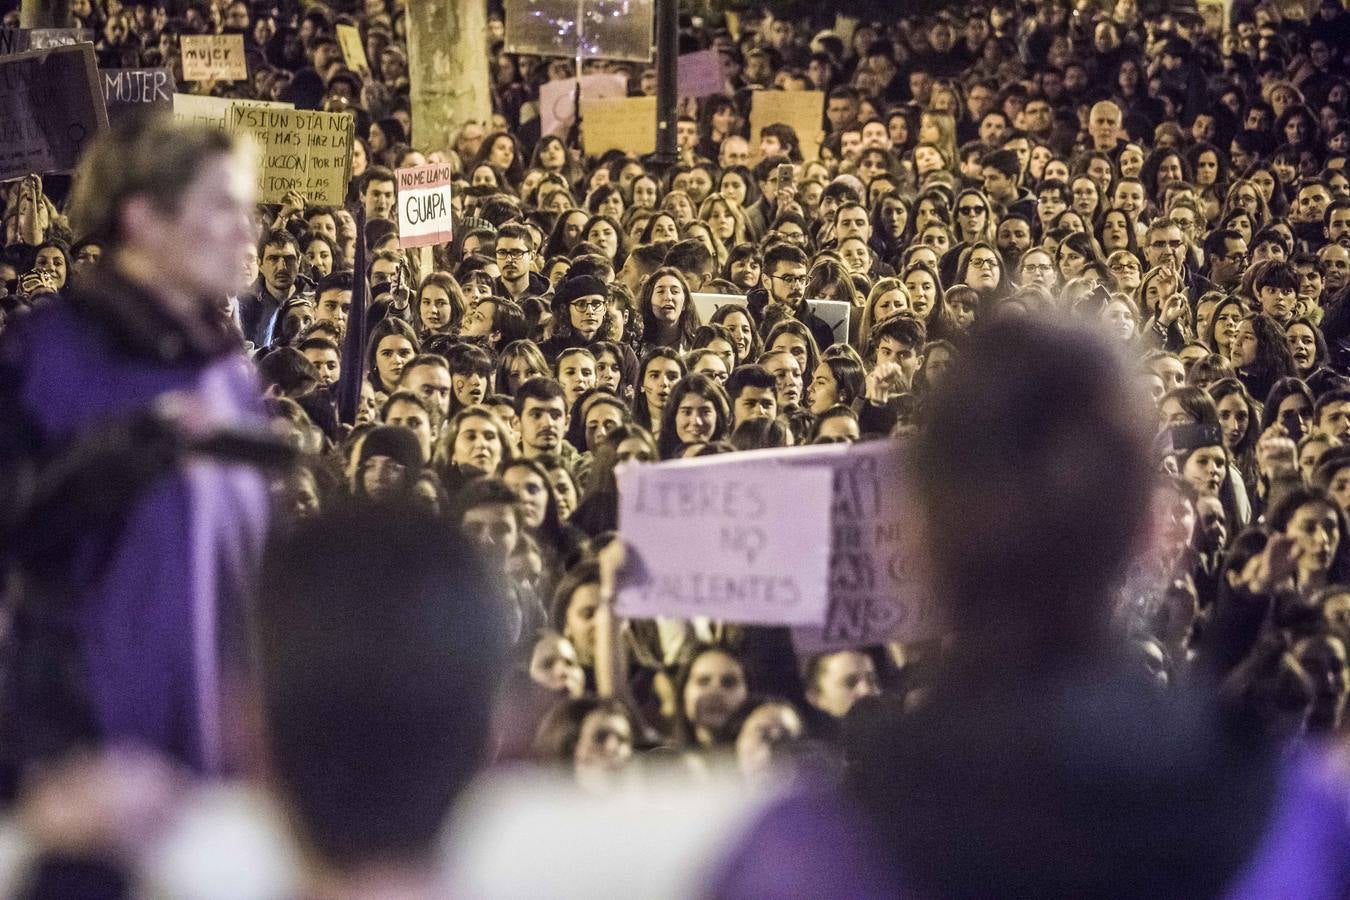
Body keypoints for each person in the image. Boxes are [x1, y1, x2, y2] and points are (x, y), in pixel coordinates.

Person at [0, 116, 271, 782]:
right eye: (222, 206)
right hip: (83, 777)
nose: (248, 229)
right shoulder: (47, 356)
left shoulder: (230, 374)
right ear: (145, 219)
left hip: (219, 776)